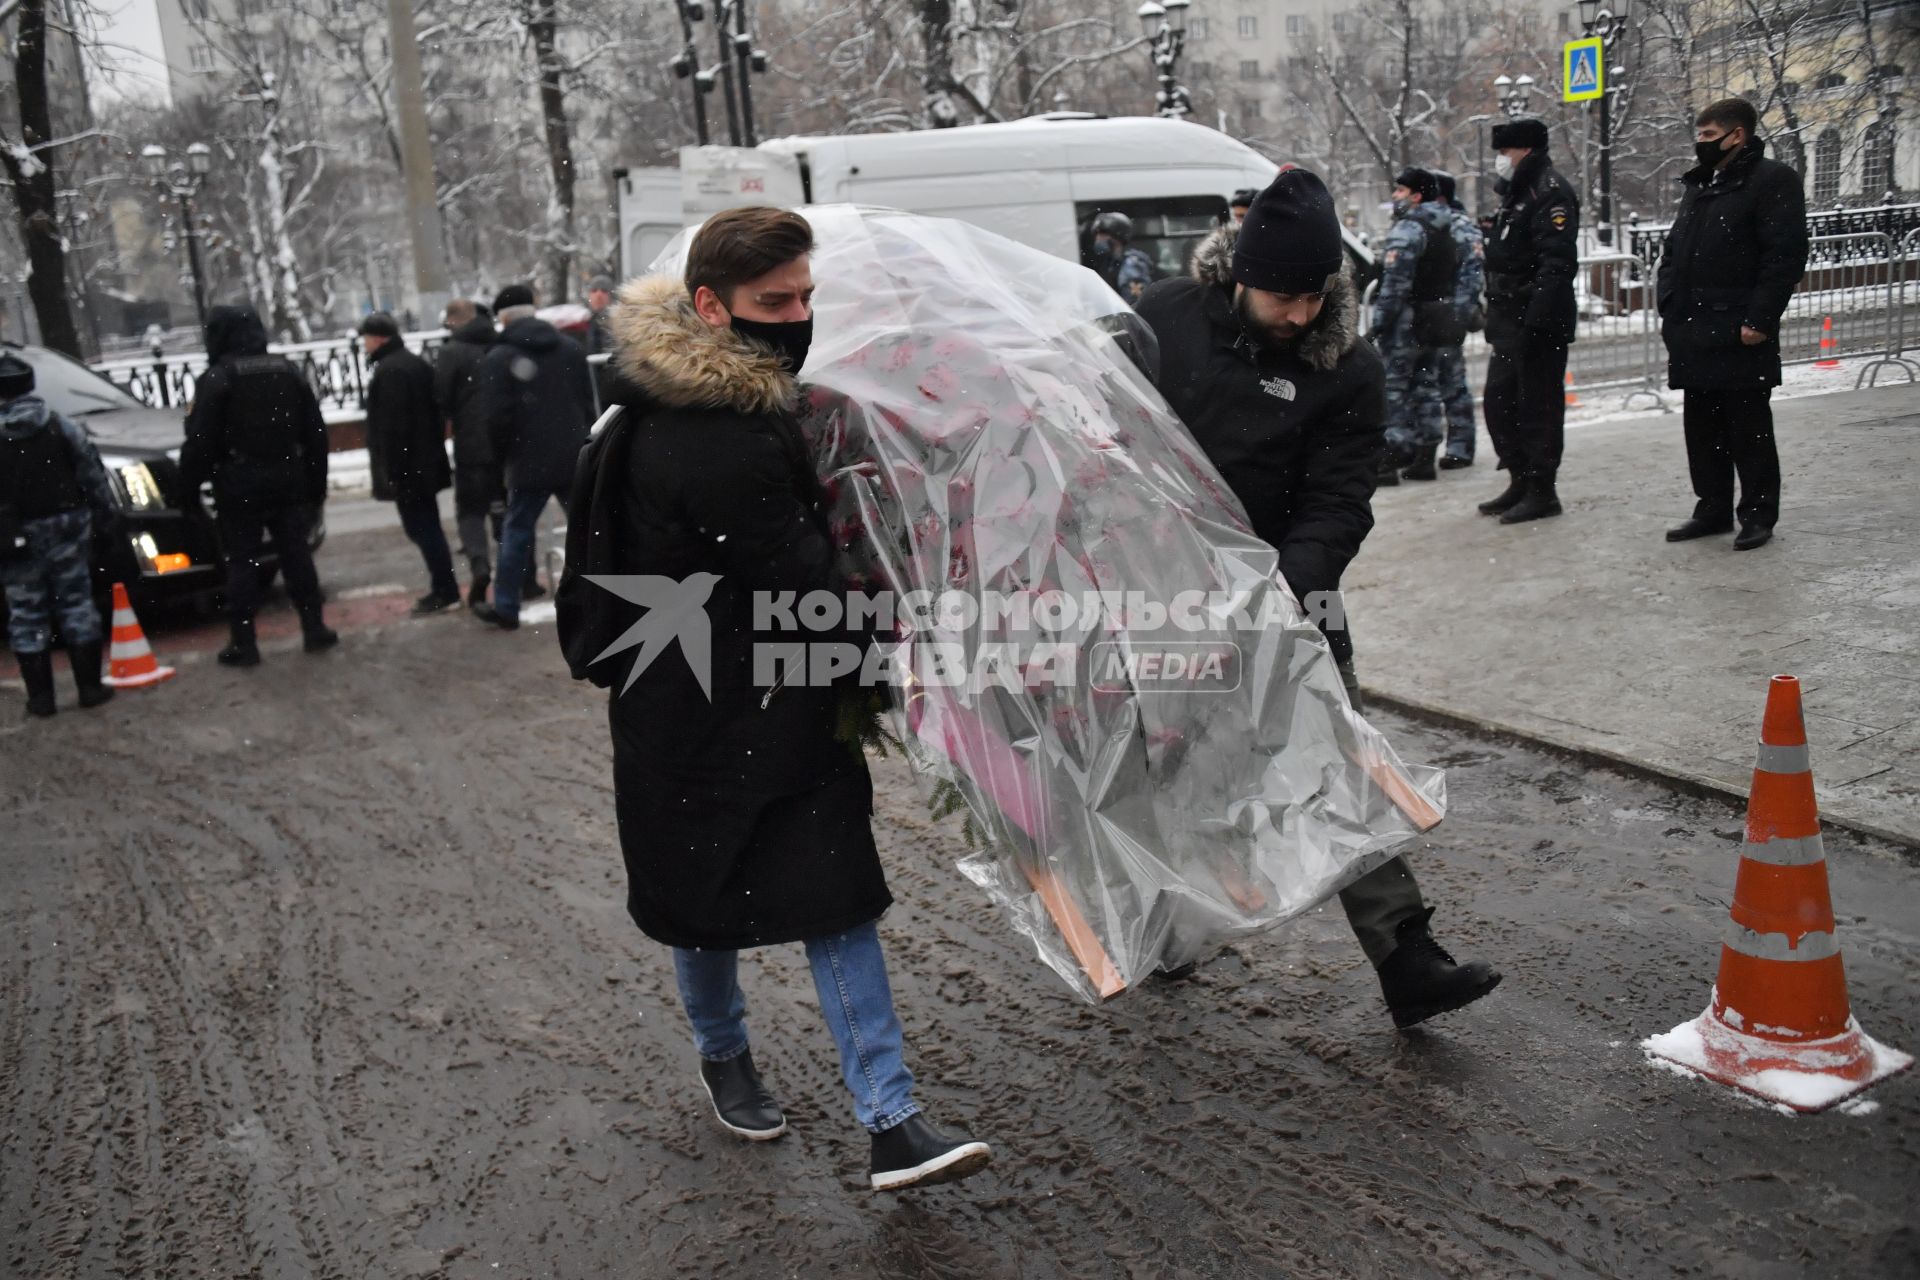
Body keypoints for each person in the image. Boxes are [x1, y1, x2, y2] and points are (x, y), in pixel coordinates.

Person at [555, 205, 993, 1191]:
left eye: (805, 295)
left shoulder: (657, 401)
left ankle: (890, 1117)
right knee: (718, 905)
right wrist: (885, 657)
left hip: (719, 701)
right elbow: (804, 587)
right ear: (710, 307)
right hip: (718, 712)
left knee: (819, 900)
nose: (796, 315)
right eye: (773, 301)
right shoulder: (721, 439)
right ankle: (734, 1057)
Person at [1135, 168, 1502, 1028]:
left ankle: (1406, 956)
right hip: (1160, 589)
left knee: (1339, 761)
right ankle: (1165, 924)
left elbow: (1341, 500)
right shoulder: (1161, 320)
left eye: (1315, 295)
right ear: (1239, 275)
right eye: (1282, 296)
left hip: (1289, 593)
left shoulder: (1348, 367)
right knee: (1159, 764)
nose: (1299, 315)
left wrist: (1286, 592)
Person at [1657, 98, 1809, 552]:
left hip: (1740, 330)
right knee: (1702, 428)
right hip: (1693, 328)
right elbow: (1673, 252)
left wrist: (1760, 320)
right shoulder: (1701, 185)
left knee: (1748, 427)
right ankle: (1713, 508)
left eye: (1707, 136)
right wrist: (1668, 303)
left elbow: (1783, 257)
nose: (1700, 144)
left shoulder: (1772, 181)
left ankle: (1759, 513)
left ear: (1736, 134)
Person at [179, 305, 337, 666]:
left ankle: (244, 642)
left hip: (239, 484)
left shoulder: (218, 378)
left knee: (242, 563)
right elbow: (315, 434)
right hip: (287, 478)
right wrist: (317, 485)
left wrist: (187, 490)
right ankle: (314, 627)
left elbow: (200, 442)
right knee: (296, 555)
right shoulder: (287, 371)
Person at [471, 284, 594, 630]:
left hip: (527, 461)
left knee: (516, 532)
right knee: (591, 529)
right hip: (574, 456)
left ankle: (507, 606)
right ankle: (611, 596)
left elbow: (496, 418)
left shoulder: (499, 357)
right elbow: (588, 404)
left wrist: (500, 458)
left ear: (503, 319)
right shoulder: (570, 348)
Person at [0, 352, 117, 715]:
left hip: (14, 534)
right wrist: (105, 519)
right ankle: (90, 688)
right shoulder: (60, 426)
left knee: (25, 611)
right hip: (67, 526)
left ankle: (40, 698)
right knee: (75, 602)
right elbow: (92, 475)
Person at [1477, 117, 1579, 524]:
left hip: (1536, 322)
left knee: (1538, 407)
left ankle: (1542, 489)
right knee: (1500, 404)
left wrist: (1535, 322)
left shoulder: (1549, 192)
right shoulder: (1517, 193)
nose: (1501, 161)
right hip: (1509, 318)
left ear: (1526, 150)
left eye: (1505, 152)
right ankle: (1519, 477)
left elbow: (1556, 264)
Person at [361, 312, 461, 614]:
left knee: (422, 529)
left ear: (378, 338)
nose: (364, 345)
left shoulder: (391, 371)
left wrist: (393, 470)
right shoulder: (412, 364)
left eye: (366, 338)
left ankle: (445, 589)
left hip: (409, 468)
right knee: (427, 527)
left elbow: (394, 428)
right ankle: (445, 587)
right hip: (425, 461)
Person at [1368, 167, 1459, 485]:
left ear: (1416, 196)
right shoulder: (1446, 226)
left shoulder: (1408, 229)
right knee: (1426, 386)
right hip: (1435, 319)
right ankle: (1425, 455)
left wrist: (1378, 324)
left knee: (1394, 389)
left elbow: (1395, 284)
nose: (1395, 197)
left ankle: (1392, 457)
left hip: (1406, 323)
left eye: (1400, 191)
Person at [434, 298, 504, 607]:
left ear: (454, 322)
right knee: (506, 510)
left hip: (472, 445)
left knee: (471, 511)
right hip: (505, 441)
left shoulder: (452, 351)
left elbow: (441, 398)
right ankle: (520, 575)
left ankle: (480, 565)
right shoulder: (500, 345)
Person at [1431, 170, 1485, 469]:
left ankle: (1461, 447)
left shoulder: (1460, 228)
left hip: (1448, 314)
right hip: (1432, 315)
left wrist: (1458, 316)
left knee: (1453, 385)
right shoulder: (1433, 224)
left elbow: (1472, 276)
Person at [1085, 211, 1156, 306]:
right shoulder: (1111, 264)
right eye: (1097, 234)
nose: (1098, 238)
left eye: (1102, 233)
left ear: (1117, 236)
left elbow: (1134, 303)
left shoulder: (1131, 264)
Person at [585, 274, 616, 358]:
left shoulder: (619, 325)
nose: (599, 295)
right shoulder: (581, 324)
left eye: (604, 291)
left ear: (611, 296)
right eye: (594, 290)